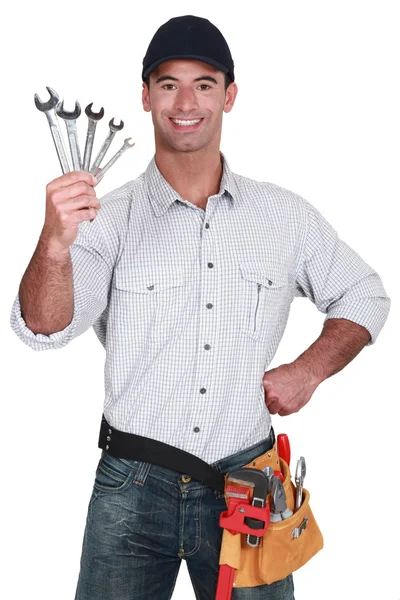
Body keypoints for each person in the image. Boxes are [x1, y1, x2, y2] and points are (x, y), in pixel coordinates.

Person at [10, 14, 390, 600]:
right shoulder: (103, 220)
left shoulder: (283, 216)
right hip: (132, 488)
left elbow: (364, 293)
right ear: (145, 96)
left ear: (229, 96)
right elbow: (44, 328)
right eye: (168, 84)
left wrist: (309, 369)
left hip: (249, 489)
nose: (185, 101)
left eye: (204, 84)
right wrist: (54, 243)